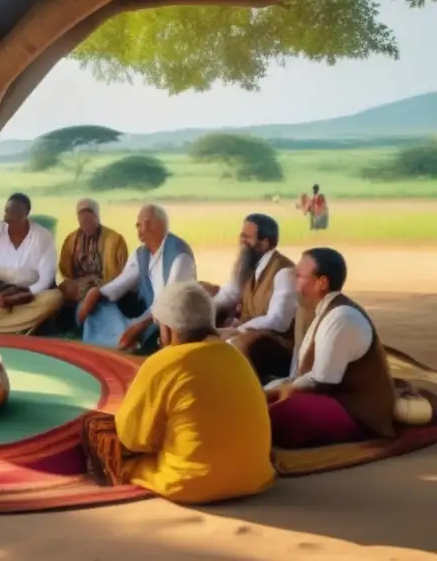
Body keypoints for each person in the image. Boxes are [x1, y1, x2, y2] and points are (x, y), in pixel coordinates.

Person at [81, 282, 275, 504]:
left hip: (190, 482)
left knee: (98, 430)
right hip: (255, 477)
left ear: (168, 329)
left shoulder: (163, 362)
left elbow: (132, 438)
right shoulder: (236, 356)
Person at [266, 248, 396, 449]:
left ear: (322, 283)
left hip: (358, 413)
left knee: (284, 413)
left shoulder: (341, 317)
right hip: (333, 400)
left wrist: (283, 392)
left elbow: (322, 380)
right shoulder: (323, 311)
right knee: (263, 398)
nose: (294, 282)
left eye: (299, 276)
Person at [76, 204, 196, 354]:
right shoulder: (141, 254)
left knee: (158, 326)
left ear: (157, 225)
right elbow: (120, 284)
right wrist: (97, 293)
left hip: (168, 320)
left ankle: (127, 341)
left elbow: (170, 302)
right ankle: (122, 340)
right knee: (98, 306)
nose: (140, 230)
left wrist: (139, 325)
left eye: (143, 224)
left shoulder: (179, 255)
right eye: (138, 225)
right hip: (144, 315)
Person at [209, 213, 297, 383]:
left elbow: (278, 320)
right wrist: (200, 316)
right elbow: (230, 293)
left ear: (264, 244)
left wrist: (240, 329)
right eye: (241, 235)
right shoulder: (249, 264)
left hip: (276, 346)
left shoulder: (283, 272)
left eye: (247, 237)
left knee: (231, 345)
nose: (241, 240)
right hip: (248, 334)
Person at [0, 193, 63, 334]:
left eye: (15, 213)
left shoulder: (43, 236)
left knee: (55, 298)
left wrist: (18, 297)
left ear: (26, 214)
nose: (9, 217)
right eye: (7, 211)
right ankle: (20, 326)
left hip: (29, 297)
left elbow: (46, 278)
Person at [58, 198, 128, 322]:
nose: (85, 221)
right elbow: (65, 272)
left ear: (97, 216)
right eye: (82, 218)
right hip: (79, 287)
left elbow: (121, 274)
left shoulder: (115, 240)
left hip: (105, 286)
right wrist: (82, 282)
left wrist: (96, 284)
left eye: (89, 217)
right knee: (60, 292)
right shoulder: (71, 240)